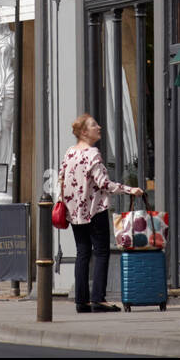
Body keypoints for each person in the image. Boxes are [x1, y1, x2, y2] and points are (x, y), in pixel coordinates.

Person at [58, 114, 143, 313]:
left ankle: (81, 301)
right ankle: (98, 299)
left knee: (82, 253)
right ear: (84, 132)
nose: (100, 127)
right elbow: (104, 184)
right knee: (102, 252)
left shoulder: (69, 153)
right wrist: (131, 190)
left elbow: (61, 180)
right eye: (94, 125)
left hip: (75, 212)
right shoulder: (92, 154)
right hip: (95, 210)